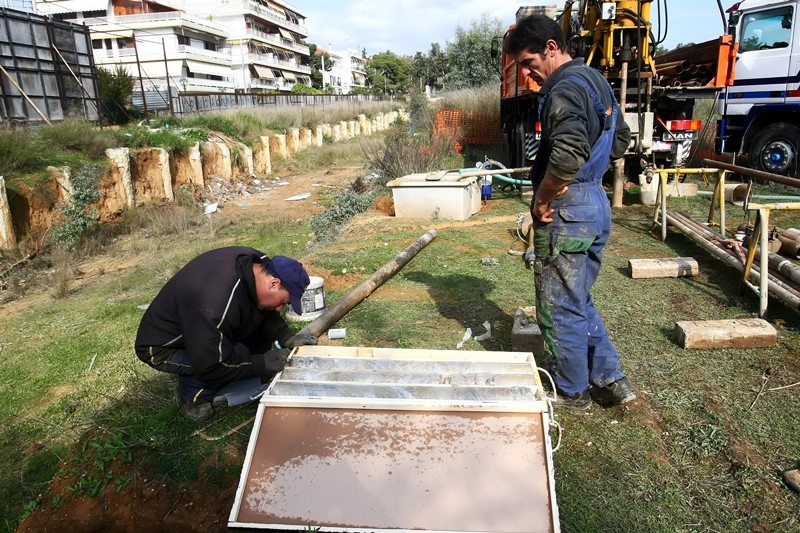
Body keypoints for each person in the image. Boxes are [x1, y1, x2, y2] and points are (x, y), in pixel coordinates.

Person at [504, 15, 635, 409]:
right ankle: (610, 379)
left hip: (568, 211)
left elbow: (566, 156)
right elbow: (621, 138)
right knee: (577, 298)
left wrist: (543, 199)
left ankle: (570, 389)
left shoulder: (563, 89)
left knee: (560, 304)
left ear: (550, 48)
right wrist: (591, 173)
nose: (526, 74)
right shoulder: (595, 80)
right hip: (594, 204)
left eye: (528, 63)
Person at [135, 247, 318, 421]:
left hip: (200, 327)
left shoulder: (259, 265)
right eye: (283, 302)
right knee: (235, 354)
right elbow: (213, 363)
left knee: (251, 341)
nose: (279, 309)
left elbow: (263, 312)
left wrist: (286, 336)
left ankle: (246, 368)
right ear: (274, 283)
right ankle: (191, 395)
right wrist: (260, 364)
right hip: (164, 347)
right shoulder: (214, 306)